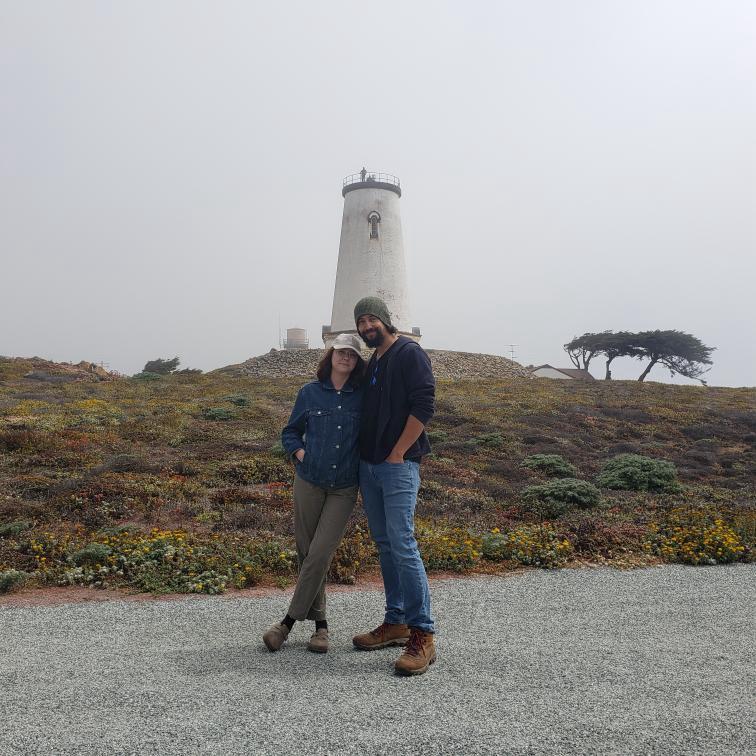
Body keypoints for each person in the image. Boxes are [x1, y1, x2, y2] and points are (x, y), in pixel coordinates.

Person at [263, 333, 365, 654]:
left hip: (343, 487)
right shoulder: (309, 392)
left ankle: (286, 624)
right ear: (330, 355)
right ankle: (321, 627)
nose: (346, 357)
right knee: (307, 553)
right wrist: (301, 454)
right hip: (308, 481)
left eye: (352, 354)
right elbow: (290, 432)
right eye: (341, 352)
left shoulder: (363, 397)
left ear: (357, 361)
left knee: (320, 553)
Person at [350, 296, 437, 676]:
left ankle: (423, 635)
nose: (367, 326)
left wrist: (399, 452)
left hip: (397, 465)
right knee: (386, 544)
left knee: (402, 543)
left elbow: (424, 404)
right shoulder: (375, 359)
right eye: (361, 322)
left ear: (386, 320)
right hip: (370, 466)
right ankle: (396, 621)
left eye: (372, 319)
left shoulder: (408, 352)